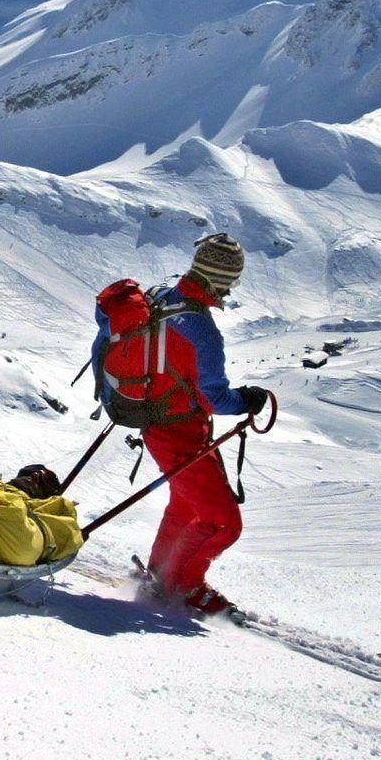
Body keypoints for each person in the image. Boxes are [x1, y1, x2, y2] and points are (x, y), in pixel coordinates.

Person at [101, 233, 269, 614]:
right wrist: (250, 399)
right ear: (223, 280)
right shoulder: (201, 329)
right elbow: (217, 399)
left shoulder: (160, 296)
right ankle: (185, 586)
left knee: (186, 507)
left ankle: (161, 572)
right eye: (232, 280)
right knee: (223, 523)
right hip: (180, 432)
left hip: (157, 423)